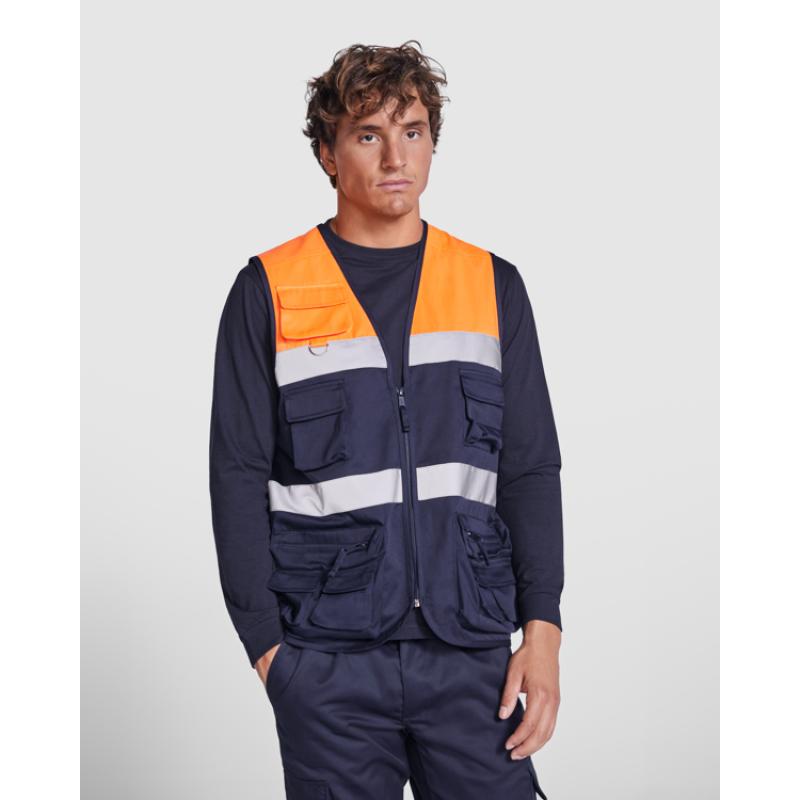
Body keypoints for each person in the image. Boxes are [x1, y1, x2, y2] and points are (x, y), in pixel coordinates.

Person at [209, 40, 563, 800]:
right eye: (368, 134)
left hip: (471, 654)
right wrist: (268, 650)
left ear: (433, 142)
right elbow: (235, 474)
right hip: (327, 662)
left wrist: (543, 631)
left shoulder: (491, 285)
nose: (396, 156)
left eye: (413, 131)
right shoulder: (269, 289)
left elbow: (530, 468)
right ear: (328, 154)